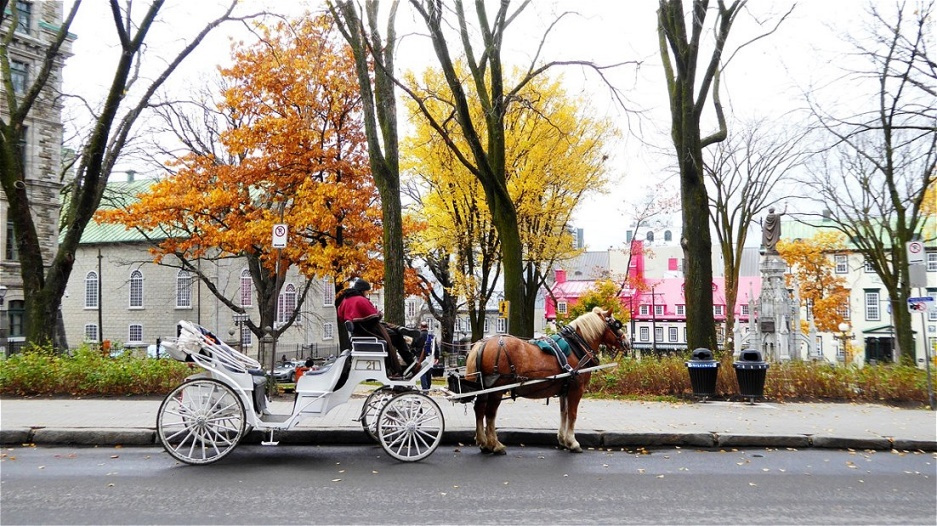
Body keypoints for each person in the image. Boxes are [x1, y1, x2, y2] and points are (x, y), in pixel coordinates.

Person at [335, 278, 414, 376]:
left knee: (391, 330)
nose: (367, 294)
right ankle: (409, 363)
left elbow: (341, 317)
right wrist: (379, 313)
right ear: (363, 290)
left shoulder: (345, 301)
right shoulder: (360, 300)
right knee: (397, 336)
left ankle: (398, 363)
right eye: (367, 291)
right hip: (368, 332)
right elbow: (374, 317)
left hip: (357, 333)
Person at [411, 321, 439, 390]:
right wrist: (437, 357)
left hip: (419, 356)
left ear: (421, 327)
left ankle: (424, 387)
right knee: (428, 371)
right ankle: (428, 385)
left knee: (421, 372)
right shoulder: (430, 336)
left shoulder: (417, 335)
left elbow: (413, 345)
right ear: (427, 327)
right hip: (428, 356)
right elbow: (435, 347)